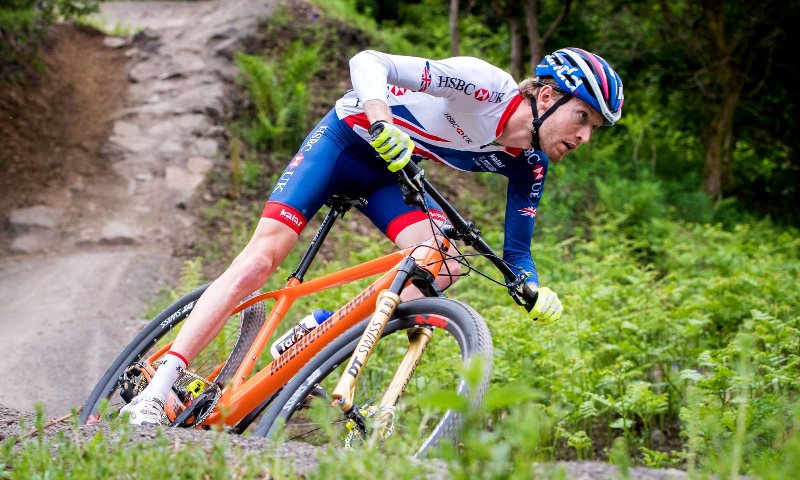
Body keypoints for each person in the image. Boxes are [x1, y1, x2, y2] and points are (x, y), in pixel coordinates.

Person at [120, 47, 624, 425]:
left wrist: (532, 285)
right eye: (582, 118)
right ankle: (157, 390)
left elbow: (516, 252)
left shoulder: (530, 164)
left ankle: (315, 332)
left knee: (443, 263)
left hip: (388, 176)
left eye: (595, 129)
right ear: (548, 95)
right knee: (260, 260)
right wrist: (383, 122)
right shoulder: (483, 86)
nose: (583, 137)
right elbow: (368, 62)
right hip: (343, 144)